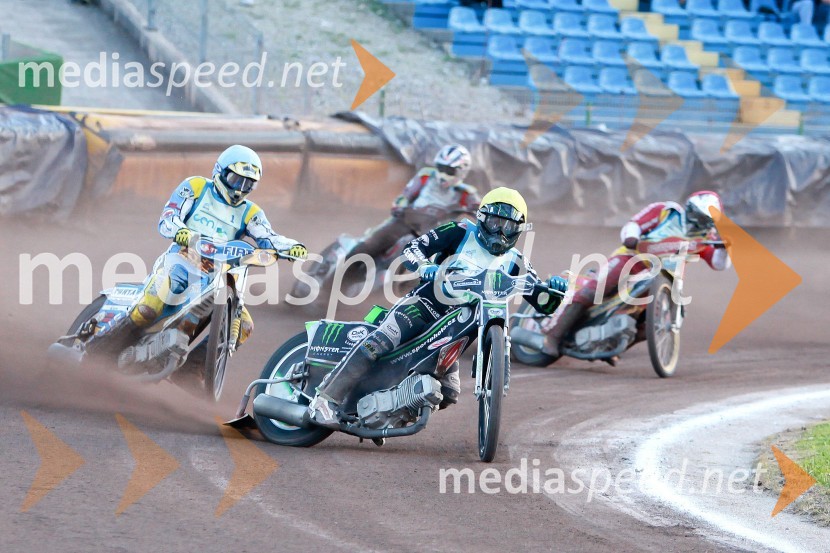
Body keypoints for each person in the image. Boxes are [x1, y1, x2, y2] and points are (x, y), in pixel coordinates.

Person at [307, 187, 568, 427]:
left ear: (520, 230)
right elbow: (412, 249)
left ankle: (389, 413)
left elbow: (544, 304)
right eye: (495, 222)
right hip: (423, 305)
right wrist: (426, 267)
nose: (500, 232)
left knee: (448, 393)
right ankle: (324, 400)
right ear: (482, 217)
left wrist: (555, 288)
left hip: (457, 328)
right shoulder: (458, 231)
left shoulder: (516, 261)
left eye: (509, 227)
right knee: (380, 342)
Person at [84, 145, 307, 353]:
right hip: (181, 261)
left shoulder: (251, 212)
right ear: (220, 172)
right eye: (236, 179)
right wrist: (180, 231)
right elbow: (169, 217)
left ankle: (196, 368)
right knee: (149, 307)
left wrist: (293, 247)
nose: (240, 190)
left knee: (244, 327)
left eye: (247, 184)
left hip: (217, 274)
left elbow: (268, 237)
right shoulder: (196, 187)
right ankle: (99, 346)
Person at [540, 190, 731, 358]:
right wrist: (631, 238)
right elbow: (634, 225)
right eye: (701, 218)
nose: (703, 225)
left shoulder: (705, 238)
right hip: (630, 260)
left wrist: (726, 249)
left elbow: (718, 263)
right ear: (691, 210)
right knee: (594, 291)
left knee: (651, 326)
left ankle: (606, 345)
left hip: (661, 280)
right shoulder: (667, 212)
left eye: (709, 221)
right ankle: (552, 335)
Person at [346, 144, 480, 261]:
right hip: (406, 222)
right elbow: (406, 195)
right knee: (370, 245)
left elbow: (481, 214)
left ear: (461, 172)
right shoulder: (426, 175)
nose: (442, 174)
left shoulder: (467, 193)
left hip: (434, 234)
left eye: (449, 170)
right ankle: (337, 279)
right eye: (440, 167)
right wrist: (399, 206)